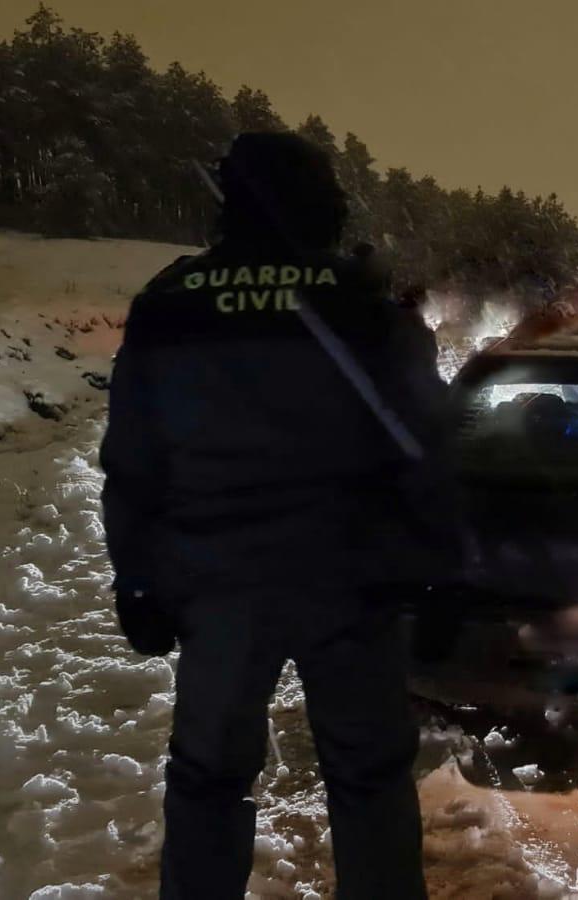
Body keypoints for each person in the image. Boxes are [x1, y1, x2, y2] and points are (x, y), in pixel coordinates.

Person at [101, 132, 454, 899]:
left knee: (207, 783)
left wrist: (135, 577)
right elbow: (429, 452)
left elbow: (133, 459)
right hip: (350, 587)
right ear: (321, 201)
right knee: (370, 783)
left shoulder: (171, 305)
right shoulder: (365, 305)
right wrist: (444, 572)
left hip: (217, 584)